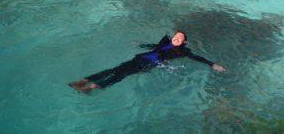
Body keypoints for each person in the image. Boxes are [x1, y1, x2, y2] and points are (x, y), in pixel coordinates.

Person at [70, 30, 225, 92]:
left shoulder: (184, 51)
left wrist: (212, 64)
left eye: (180, 38)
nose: (177, 38)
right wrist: (141, 45)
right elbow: (154, 46)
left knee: (118, 73)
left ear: (184, 42)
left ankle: (86, 84)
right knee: (115, 72)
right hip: (141, 59)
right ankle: (85, 84)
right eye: (176, 36)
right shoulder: (166, 43)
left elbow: (197, 57)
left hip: (147, 63)